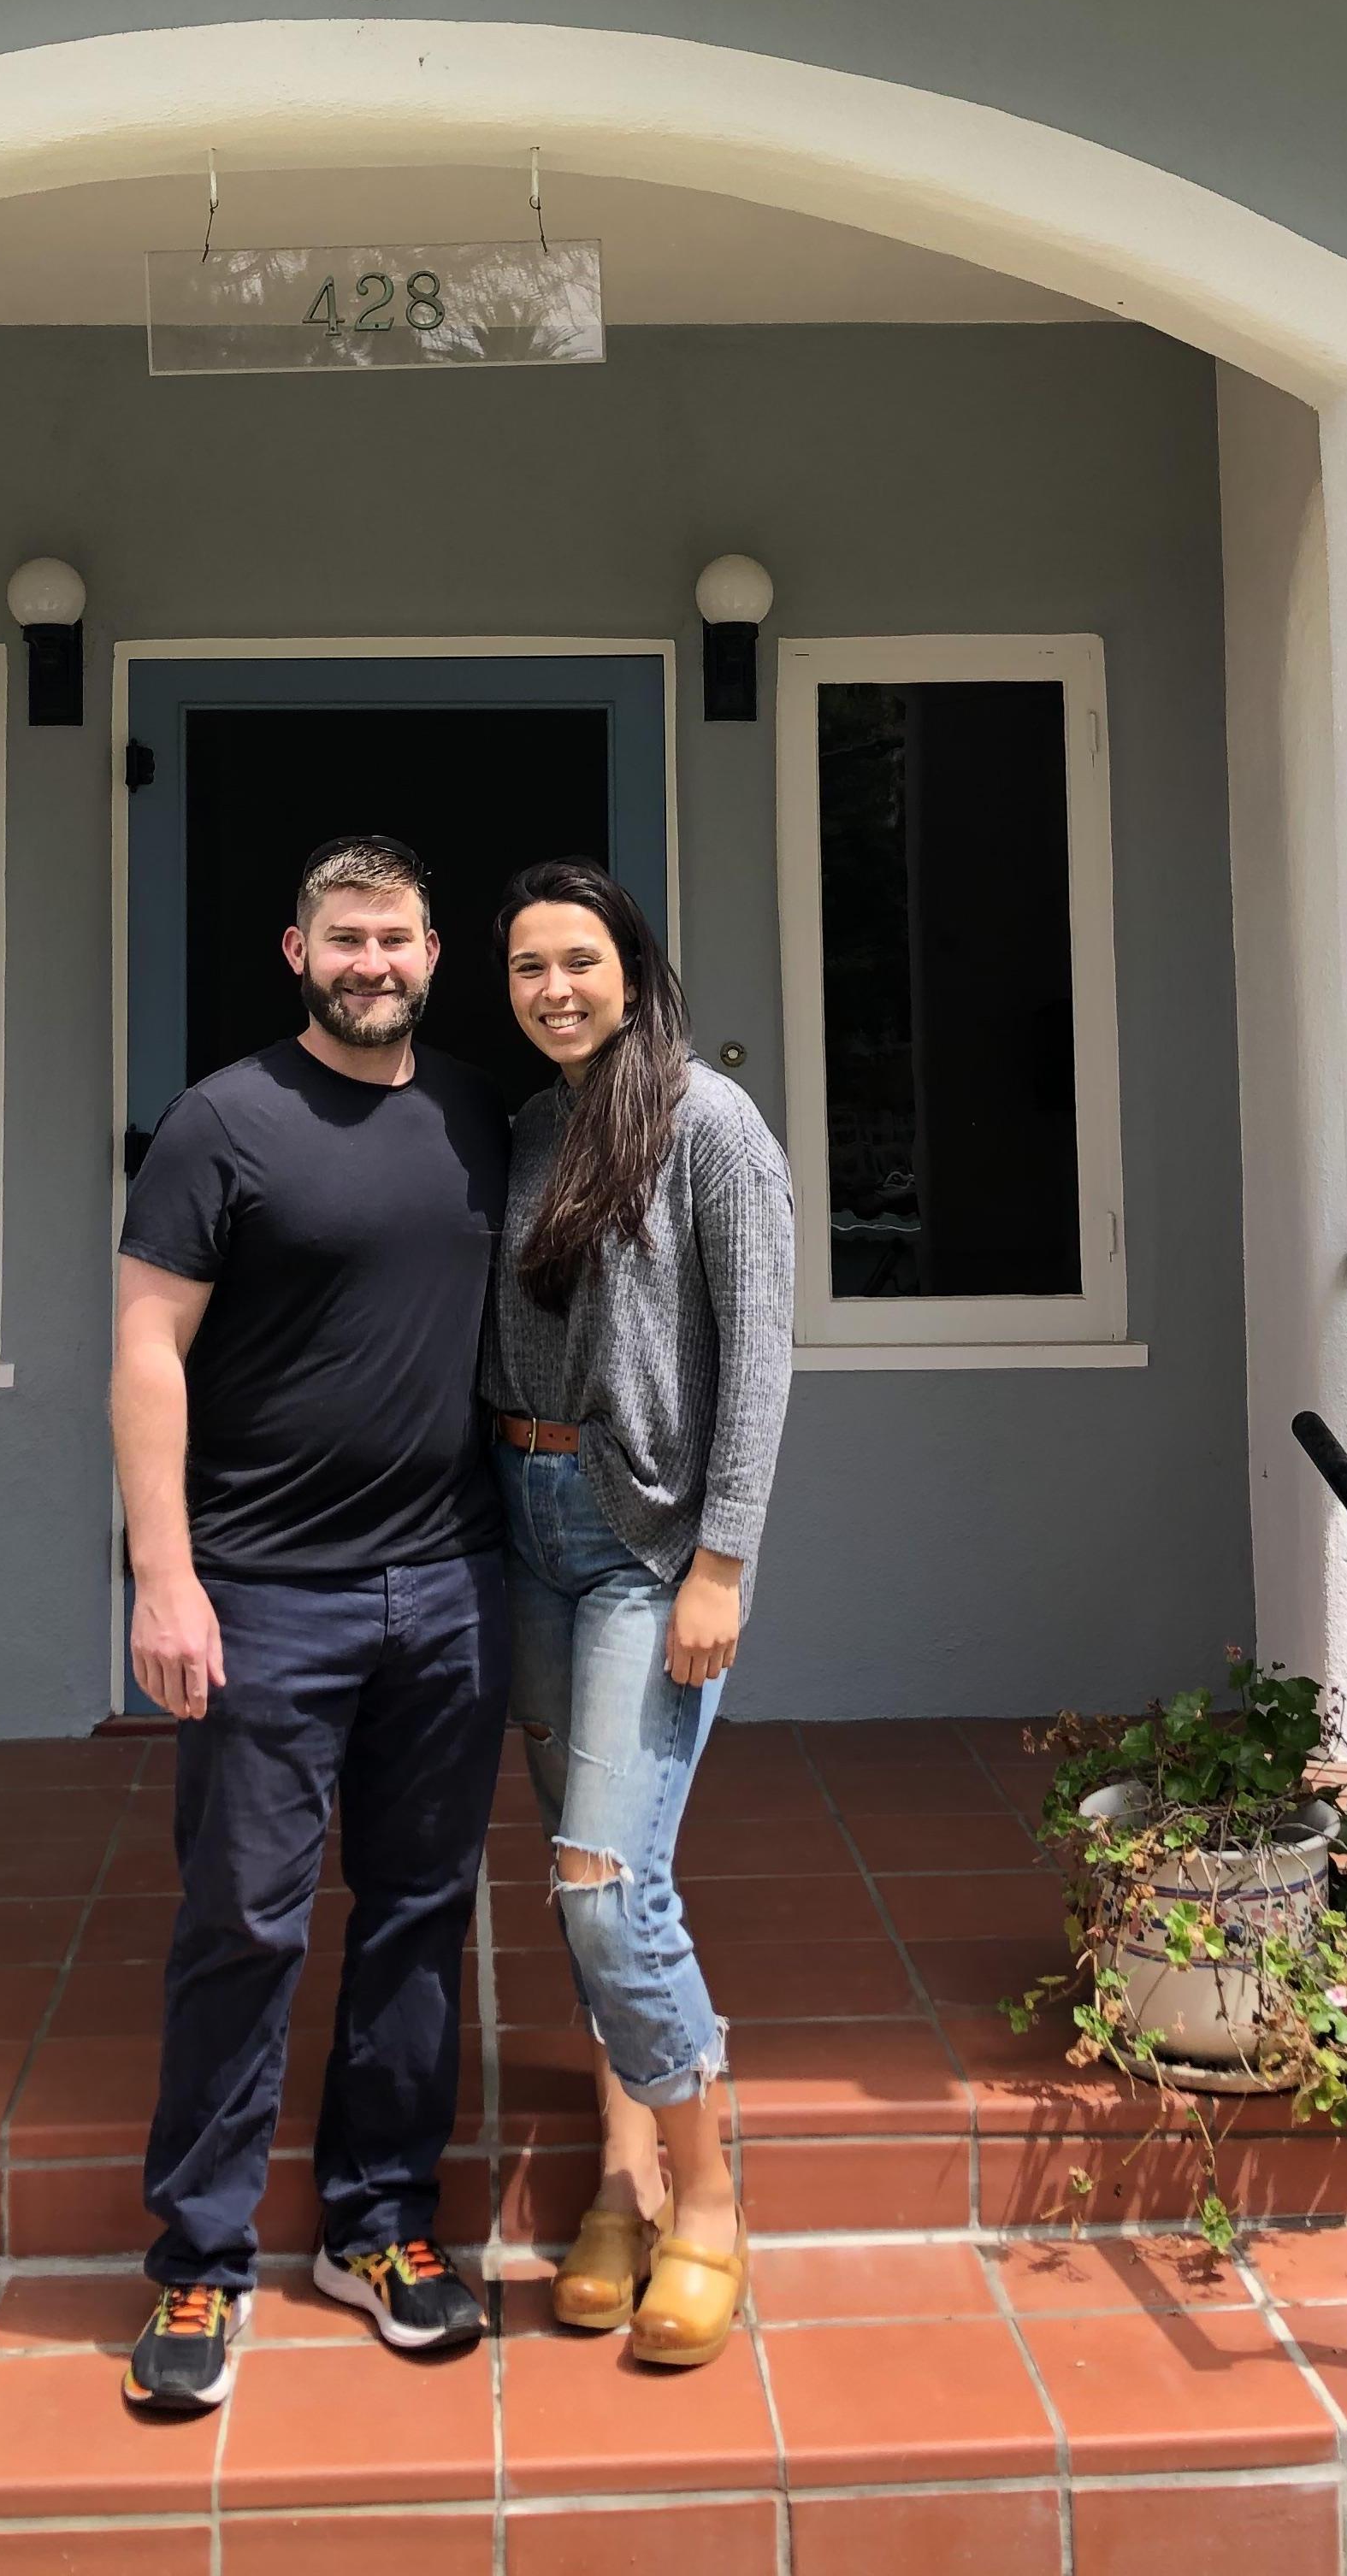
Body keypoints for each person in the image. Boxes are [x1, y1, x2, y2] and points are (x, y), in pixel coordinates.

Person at [109, 835, 514, 2414]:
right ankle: (201, 2264)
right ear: (296, 952)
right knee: (244, 1921)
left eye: (397, 938)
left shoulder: (480, 1114)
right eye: (344, 938)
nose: (372, 963)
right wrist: (165, 1574)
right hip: (265, 1593)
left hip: (451, 1584)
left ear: (432, 953)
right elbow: (149, 1347)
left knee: (420, 1914)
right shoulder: (226, 1121)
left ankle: (380, 2227)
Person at [482, 857, 796, 2369]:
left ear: (634, 966)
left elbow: (760, 1354)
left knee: (613, 1887)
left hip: (642, 1548)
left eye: (580, 960)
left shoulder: (709, 1125)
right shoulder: (532, 1131)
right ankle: (618, 2177)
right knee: (572, 1872)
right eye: (530, 966)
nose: (556, 988)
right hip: (525, 1530)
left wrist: (720, 1562)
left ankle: (711, 2203)